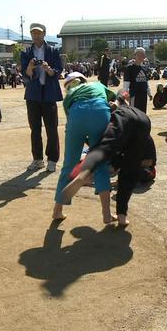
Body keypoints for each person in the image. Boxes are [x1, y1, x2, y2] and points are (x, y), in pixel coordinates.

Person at [60, 100, 152, 227]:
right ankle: (121, 216)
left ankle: (84, 173)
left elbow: (107, 144)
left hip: (126, 119)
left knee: (103, 146)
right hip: (145, 123)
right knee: (130, 171)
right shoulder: (137, 115)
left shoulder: (119, 112)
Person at [51, 72, 114, 224]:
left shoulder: (69, 96)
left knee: (69, 164)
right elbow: (112, 101)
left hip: (76, 115)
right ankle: (107, 214)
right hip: (100, 112)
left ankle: (57, 210)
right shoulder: (97, 84)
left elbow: (72, 121)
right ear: (84, 80)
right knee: (100, 165)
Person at [20, 22, 63, 172]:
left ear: (44, 33)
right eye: (33, 33)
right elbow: (25, 75)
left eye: (38, 33)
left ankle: (52, 160)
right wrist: (30, 67)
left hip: (49, 94)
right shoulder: (26, 52)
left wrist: (48, 69)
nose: (36, 36)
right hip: (33, 95)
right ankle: (37, 159)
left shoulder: (53, 51)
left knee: (52, 128)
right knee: (35, 129)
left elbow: (59, 70)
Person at [124, 47, 153, 113]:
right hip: (134, 95)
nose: (141, 57)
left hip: (143, 95)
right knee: (134, 114)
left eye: (142, 55)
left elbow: (146, 83)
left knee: (143, 114)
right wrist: (126, 95)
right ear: (134, 55)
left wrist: (149, 93)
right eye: (139, 55)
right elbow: (126, 84)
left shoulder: (144, 68)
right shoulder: (129, 68)